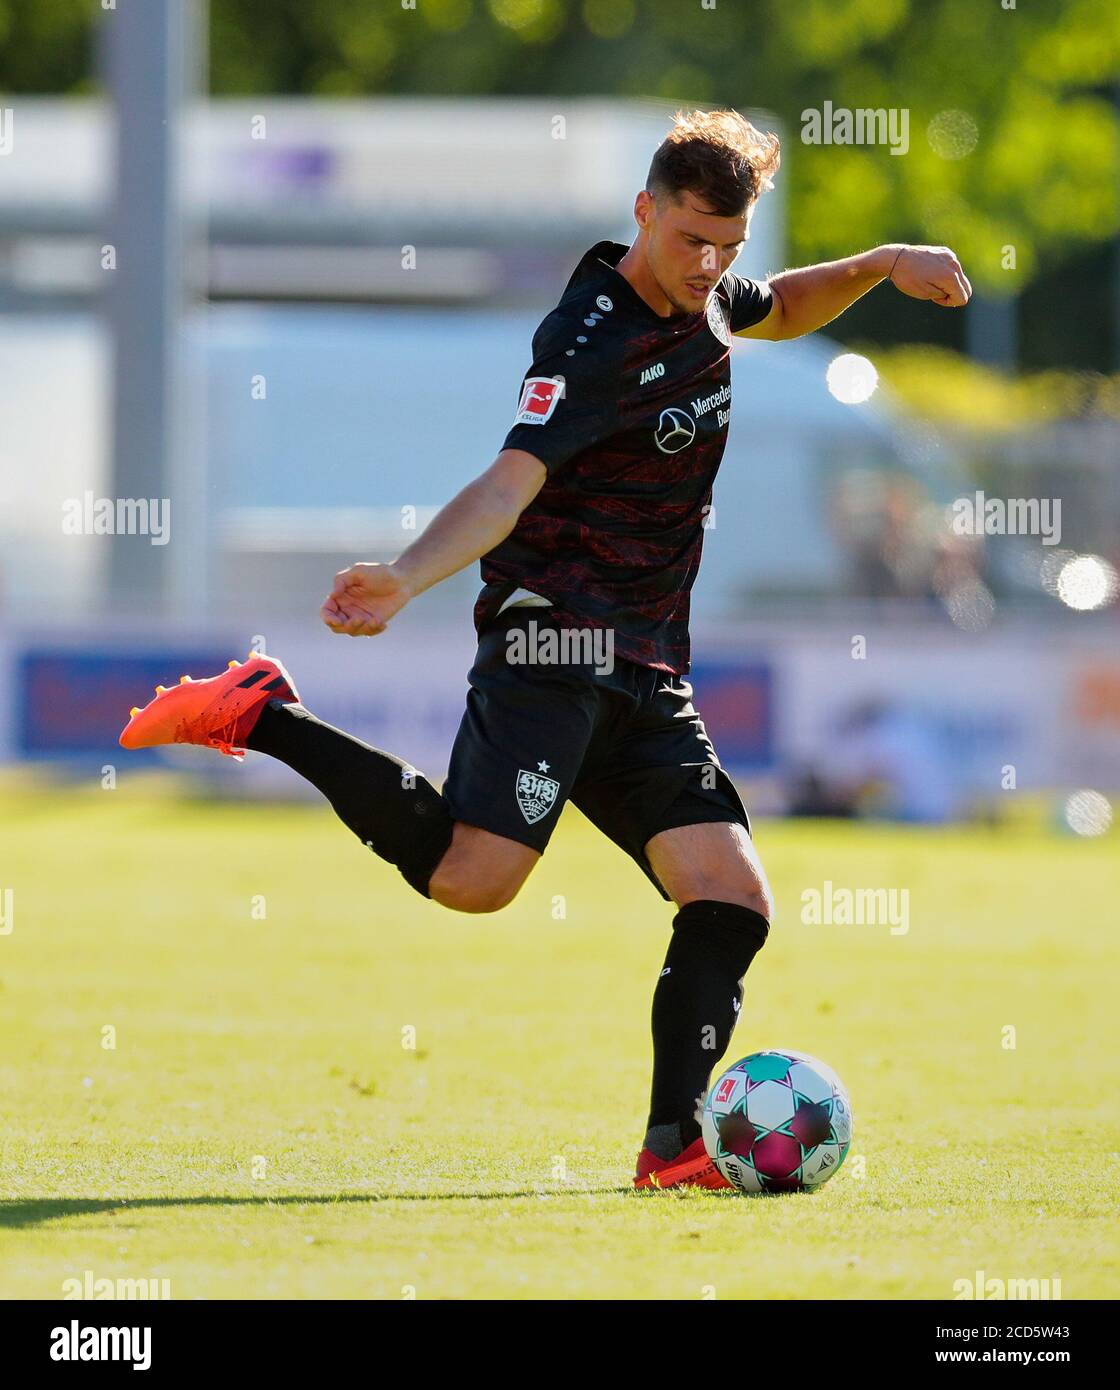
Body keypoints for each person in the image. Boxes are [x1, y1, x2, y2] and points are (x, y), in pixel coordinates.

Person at [121, 108, 971, 1190]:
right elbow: (505, 484)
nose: (707, 264)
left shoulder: (708, 290)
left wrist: (886, 262)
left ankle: (671, 1150)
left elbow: (785, 306)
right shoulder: (589, 339)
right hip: (554, 635)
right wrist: (402, 579)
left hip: (647, 660)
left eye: (726, 246)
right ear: (643, 211)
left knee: (730, 896)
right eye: (688, 240)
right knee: (474, 884)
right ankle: (261, 712)